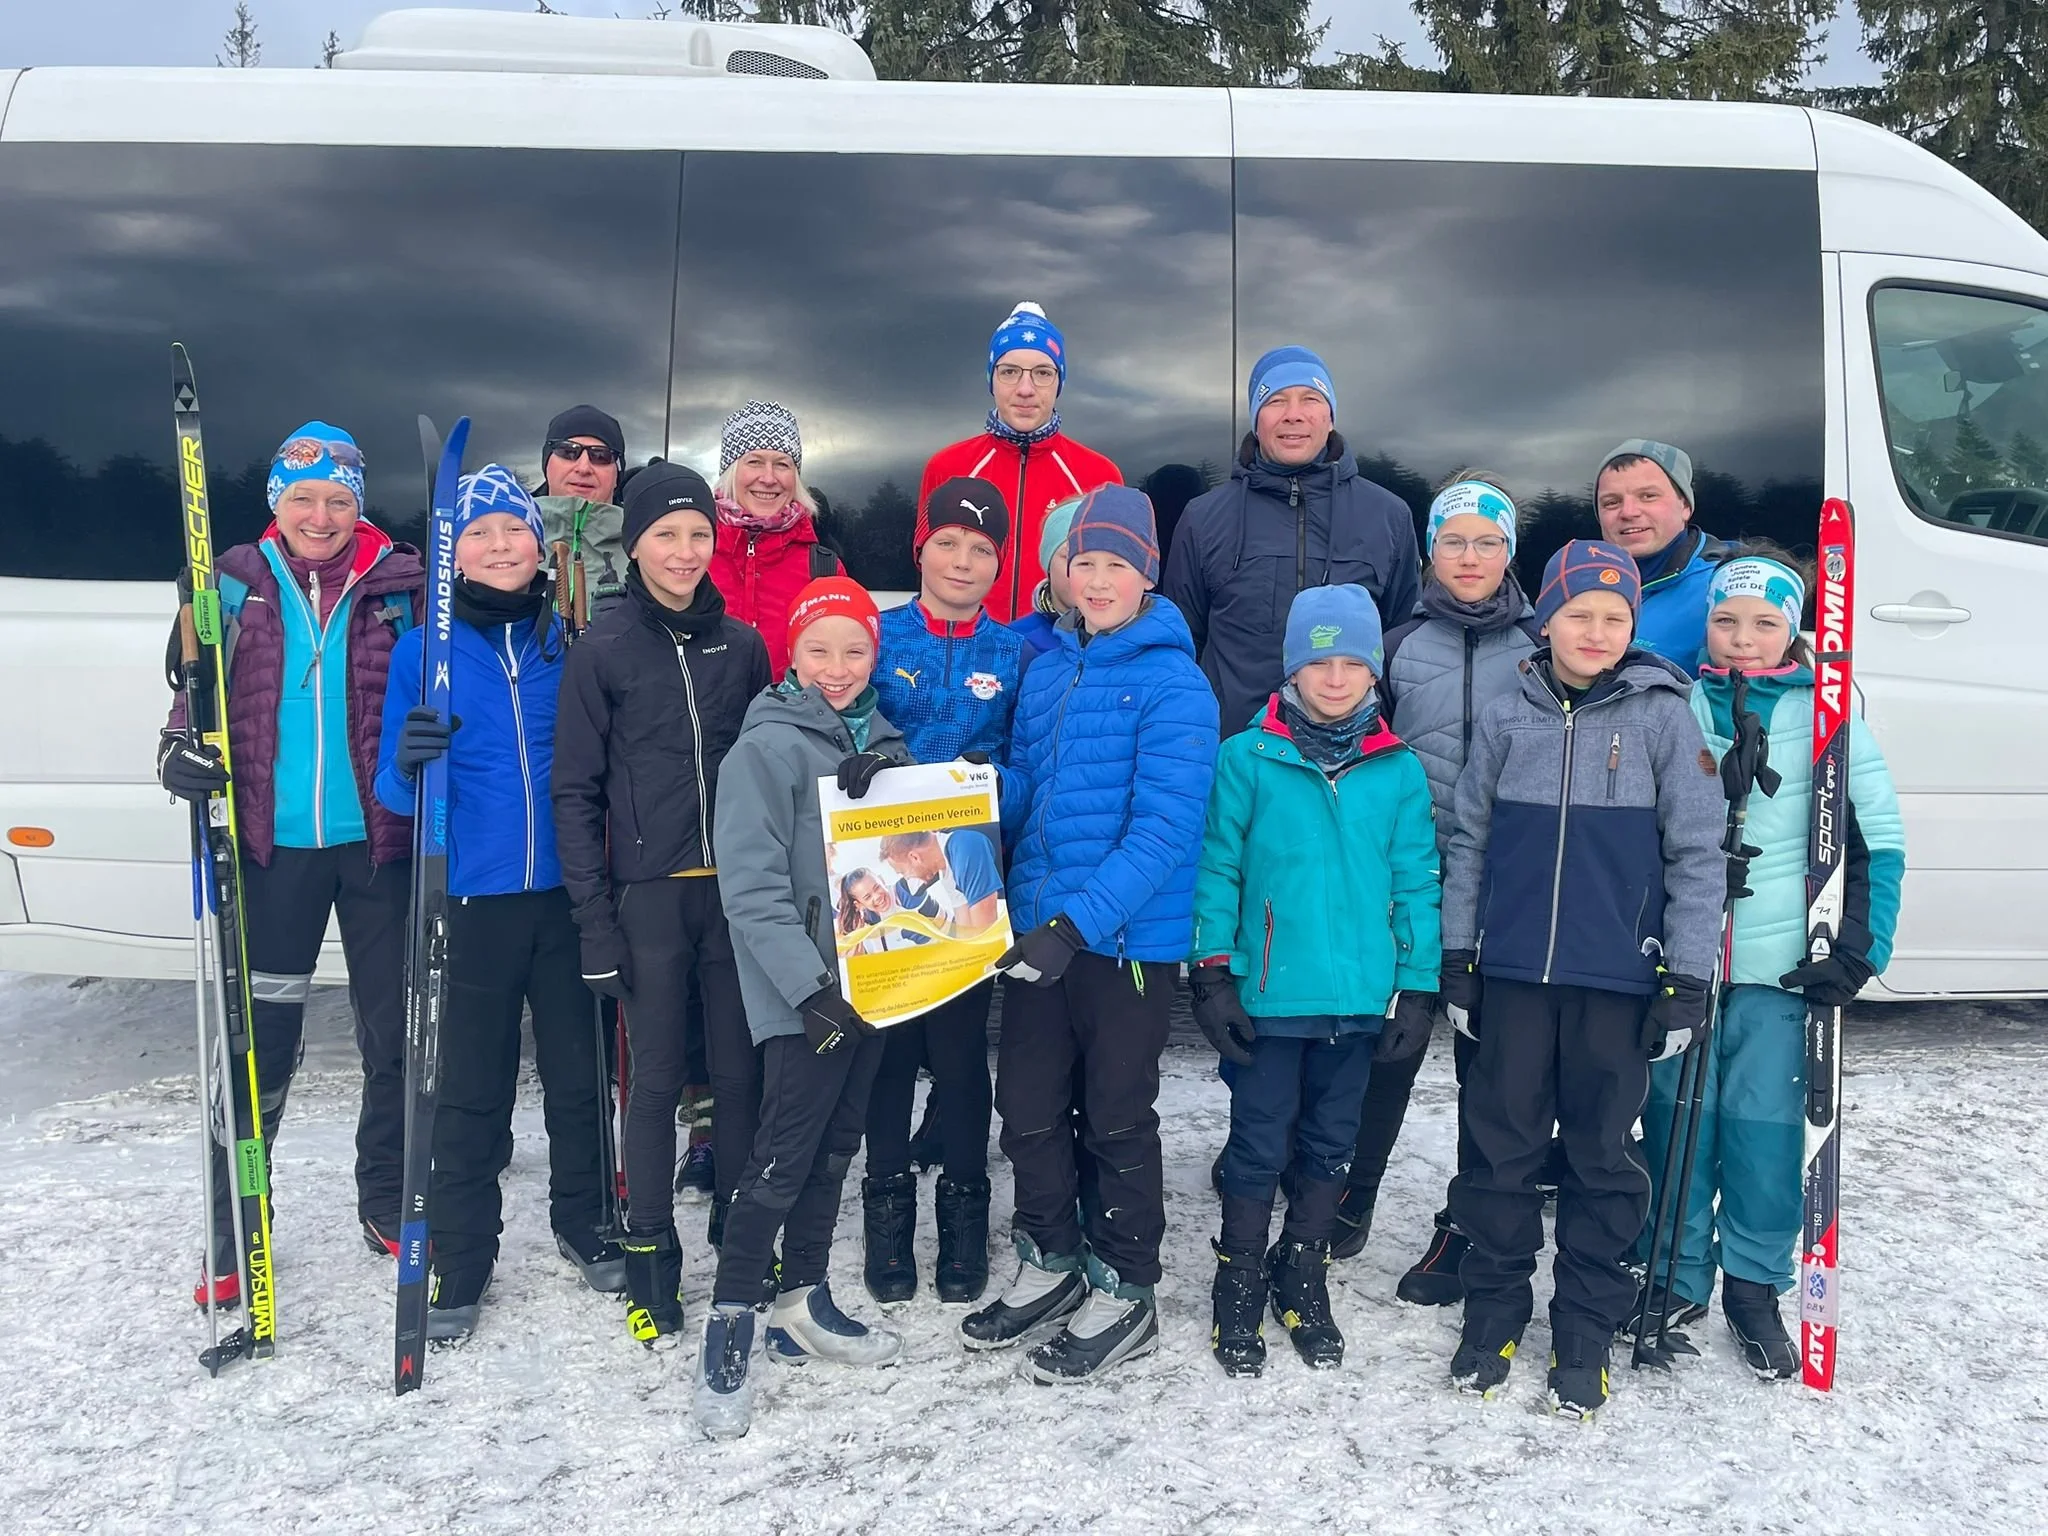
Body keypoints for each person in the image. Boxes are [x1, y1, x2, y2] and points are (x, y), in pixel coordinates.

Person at [1438, 539, 1723, 1419]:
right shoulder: (1507, 712)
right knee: (1501, 1154)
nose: (1595, 630)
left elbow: (1697, 854)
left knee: (1603, 1162)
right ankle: (1493, 1312)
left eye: (1614, 616)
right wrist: (1459, 955)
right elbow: (1471, 841)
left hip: (1618, 982)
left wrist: (1685, 974)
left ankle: (1586, 1328)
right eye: (1578, 613)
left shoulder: (1664, 716)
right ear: (1547, 619)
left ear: (1632, 626)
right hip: (1516, 977)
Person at [157, 423, 422, 1298]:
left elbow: (437, 692)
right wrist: (178, 752)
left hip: (379, 844)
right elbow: (190, 697)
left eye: (338, 498)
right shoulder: (231, 583)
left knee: (395, 1034)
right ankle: (236, 1221)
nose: (320, 514)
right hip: (271, 850)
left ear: (359, 505)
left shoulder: (405, 585)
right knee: (259, 1039)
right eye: (303, 498)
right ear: (278, 502)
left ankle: (386, 1194)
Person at [963, 484, 1219, 1383]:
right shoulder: (1052, 667)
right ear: (1062, 572)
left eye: (1117, 563)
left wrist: (1075, 926)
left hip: (1122, 949)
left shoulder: (1174, 682)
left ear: (1146, 572)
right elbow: (1029, 788)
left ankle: (1127, 1282)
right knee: (1027, 1110)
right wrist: (951, 789)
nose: (1098, 579)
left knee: (1114, 1117)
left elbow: (1164, 830)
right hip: (1039, 935)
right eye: (1085, 562)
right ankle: (1052, 1256)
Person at [1634, 547, 1904, 1378]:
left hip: (1782, 974)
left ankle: (1754, 1282)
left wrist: (1859, 946)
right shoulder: (1675, 706)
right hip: (1689, 969)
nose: (1742, 639)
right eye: (1725, 621)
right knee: (1679, 1125)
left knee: (1763, 1137)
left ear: (1793, 629)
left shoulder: (1830, 716)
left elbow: (1878, 841)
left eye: (1762, 623)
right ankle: (1674, 1275)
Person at [369, 466, 616, 1340]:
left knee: (580, 1080)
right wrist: (407, 759)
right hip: (466, 902)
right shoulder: (420, 653)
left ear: (540, 542)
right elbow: (392, 799)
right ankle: (462, 1258)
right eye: (480, 534)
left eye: (513, 529)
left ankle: (585, 1225)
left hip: (564, 899)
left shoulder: (571, 643)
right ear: (453, 550)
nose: (501, 547)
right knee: (469, 1093)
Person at [1190, 584, 1440, 1377]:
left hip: (1361, 1000)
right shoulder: (1246, 757)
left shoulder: (1398, 770)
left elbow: (1416, 880)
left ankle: (1301, 1269)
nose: (1335, 679)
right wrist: (1213, 974)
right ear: (1291, 670)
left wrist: (1418, 984)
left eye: (1352, 664)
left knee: (1333, 1142)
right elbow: (1219, 867)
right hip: (1271, 995)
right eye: (1318, 662)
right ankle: (1238, 1273)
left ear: (1375, 673)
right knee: (1259, 1142)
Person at [551, 462, 771, 1349]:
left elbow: (772, 770)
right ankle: (651, 1255)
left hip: (737, 899)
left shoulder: (745, 645)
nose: (684, 552)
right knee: (652, 1088)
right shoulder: (601, 651)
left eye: (696, 535)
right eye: (664, 535)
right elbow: (576, 796)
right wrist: (593, 923)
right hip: (648, 902)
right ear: (633, 543)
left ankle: (742, 1239)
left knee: (740, 1076)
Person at [697, 577, 913, 1441]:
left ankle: (803, 1296)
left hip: (873, 984)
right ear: (791, 651)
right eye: (819, 649)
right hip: (805, 997)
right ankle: (731, 1322)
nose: (836, 667)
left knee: (836, 1148)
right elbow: (749, 889)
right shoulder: (766, 749)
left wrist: (891, 785)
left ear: (874, 655)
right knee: (780, 1159)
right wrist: (806, 987)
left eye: (854, 649)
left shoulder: (885, 742)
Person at [1329, 475, 1541, 1302]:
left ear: (1509, 553)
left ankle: (1466, 1223)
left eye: (1488, 542)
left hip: (1504, 883)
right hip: (1409, 878)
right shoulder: (1397, 642)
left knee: (1491, 1067)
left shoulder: (1541, 641)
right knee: (1395, 1043)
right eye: (1453, 540)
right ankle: (1356, 1187)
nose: (1470, 556)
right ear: (1429, 549)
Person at [863, 475, 1025, 1306]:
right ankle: (885, 1212)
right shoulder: (877, 636)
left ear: (1000, 563)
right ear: (919, 548)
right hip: (882, 886)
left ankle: (964, 1215)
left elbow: (1032, 767)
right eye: (949, 543)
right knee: (888, 1058)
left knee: (963, 1063)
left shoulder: (1015, 651)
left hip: (969, 887)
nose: (963, 560)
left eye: (982, 549)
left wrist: (992, 790)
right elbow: (838, 729)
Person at [1163, 346, 1422, 736]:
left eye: (1310, 399)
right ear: (1256, 420)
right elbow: (1182, 642)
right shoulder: (1203, 518)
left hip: (1350, 763)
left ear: (1330, 416)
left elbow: (1402, 643)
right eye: (1276, 401)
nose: (1293, 414)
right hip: (1233, 756)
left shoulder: (1389, 516)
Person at [919, 301, 1121, 622]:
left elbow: (1112, 583)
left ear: (1060, 382)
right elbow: (928, 572)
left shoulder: (1098, 474)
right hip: (970, 653)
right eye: (1010, 372)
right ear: (991, 379)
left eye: (1042, 373)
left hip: (1060, 656)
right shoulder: (948, 467)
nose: (1025, 389)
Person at [708, 399, 841, 679]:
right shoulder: (694, 554)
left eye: (782, 464)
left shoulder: (825, 569)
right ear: (731, 471)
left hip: (790, 721)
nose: (768, 478)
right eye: (754, 462)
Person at [1593, 438, 1731, 672]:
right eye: (1611, 502)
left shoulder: (1728, 587)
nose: (1628, 512)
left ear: (1685, 505)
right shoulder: (1580, 584)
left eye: (1648, 496)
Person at [534, 404, 630, 625]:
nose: (584, 467)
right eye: (568, 452)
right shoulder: (508, 540)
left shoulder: (644, 550)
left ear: (617, 474)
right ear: (547, 464)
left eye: (601, 456)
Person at [1010, 493, 1081, 666]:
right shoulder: (1013, 643)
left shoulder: (1141, 645)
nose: (1083, 570)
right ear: (1048, 563)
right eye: (1069, 555)